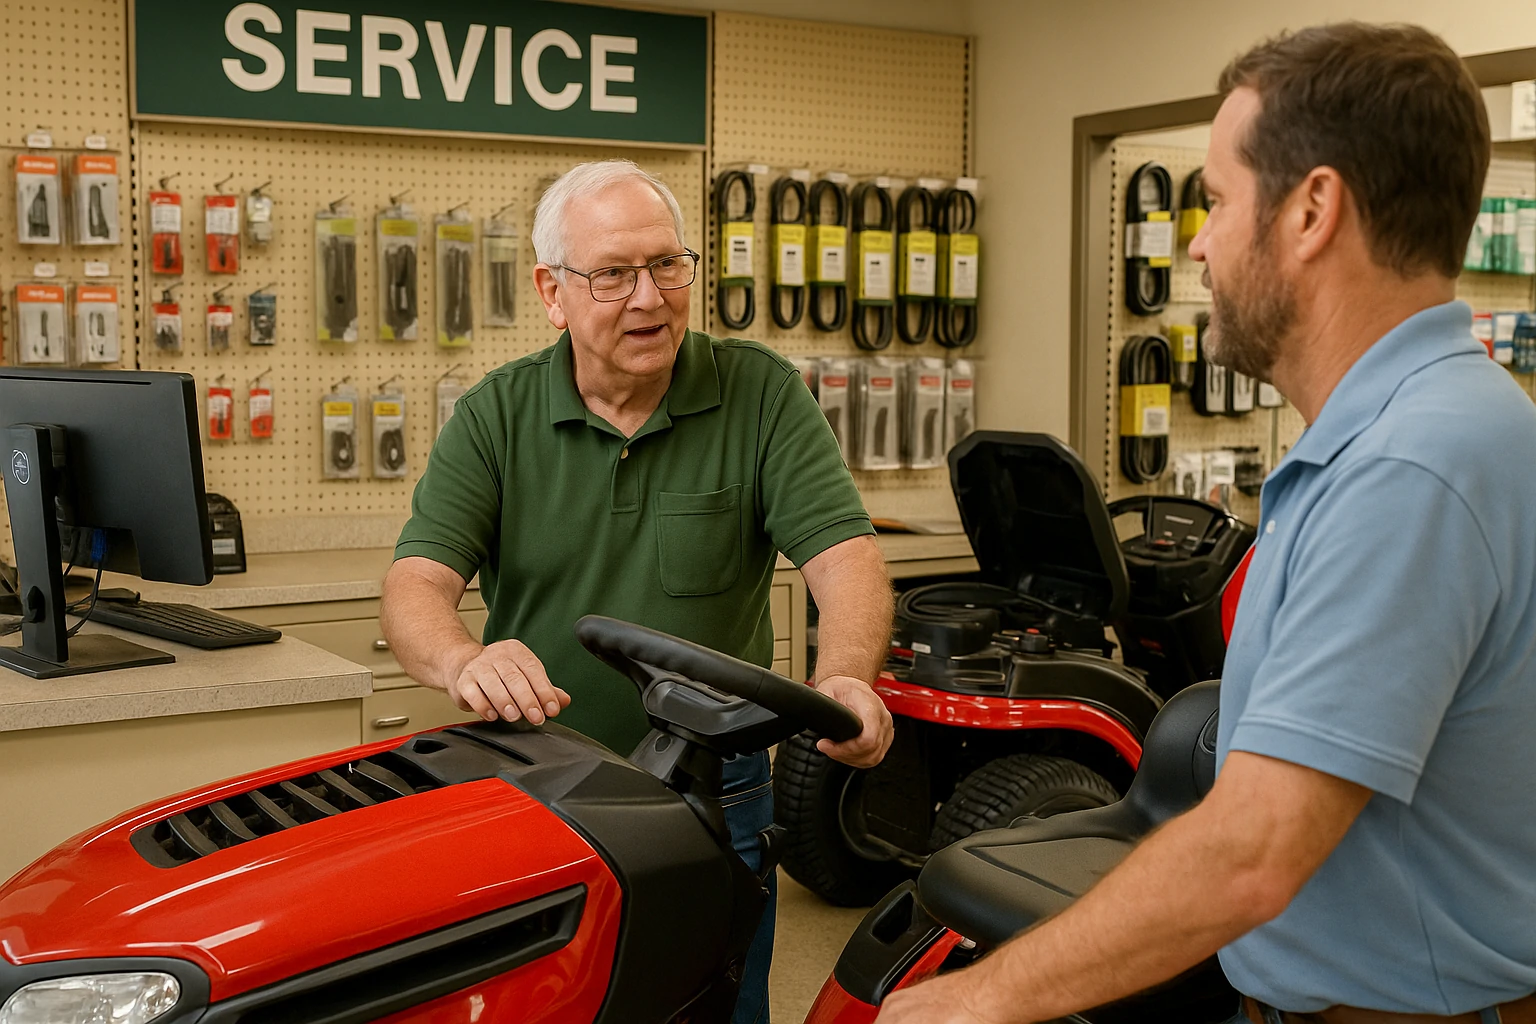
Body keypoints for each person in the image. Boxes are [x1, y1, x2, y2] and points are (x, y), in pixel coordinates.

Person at [878, 22, 1536, 1024]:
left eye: (1219, 201)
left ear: (1313, 208)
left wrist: (974, 1002)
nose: (1198, 240)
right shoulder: (1416, 432)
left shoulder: (1414, 466)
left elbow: (1251, 852)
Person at [379, 159, 894, 1024]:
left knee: (718, 1009)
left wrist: (844, 675)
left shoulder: (761, 394)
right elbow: (415, 587)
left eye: (667, 265)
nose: (650, 297)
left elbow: (846, 560)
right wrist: (463, 658)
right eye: (614, 274)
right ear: (552, 291)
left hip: (716, 793)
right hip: (543, 790)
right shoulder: (494, 417)